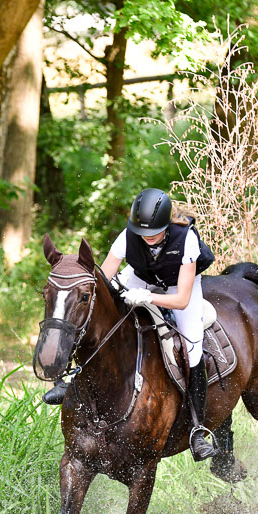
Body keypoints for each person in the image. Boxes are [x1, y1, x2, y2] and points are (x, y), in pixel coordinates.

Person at [43, 187, 218, 463]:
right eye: (142, 234)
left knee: (192, 346)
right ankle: (70, 379)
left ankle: (197, 429)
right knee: (100, 321)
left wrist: (149, 297)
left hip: (177, 287)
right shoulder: (128, 236)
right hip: (140, 277)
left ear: (166, 226)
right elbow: (101, 279)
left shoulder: (187, 241)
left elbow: (182, 299)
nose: (147, 239)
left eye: (154, 234)